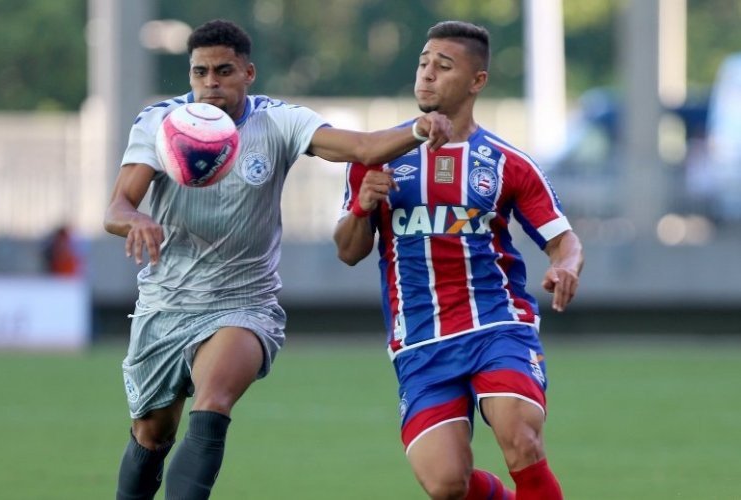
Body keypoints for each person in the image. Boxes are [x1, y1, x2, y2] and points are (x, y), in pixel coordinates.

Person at [103, 19, 452, 500]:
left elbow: (363, 147)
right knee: (152, 435)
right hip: (165, 304)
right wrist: (135, 220)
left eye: (223, 71)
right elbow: (117, 206)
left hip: (244, 302)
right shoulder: (161, 124)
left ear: (248, 72)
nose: (211, 84)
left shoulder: (279, 122)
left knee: (213, 404)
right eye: (200, 72)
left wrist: (418, 128)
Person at [334, 21, 583, 500]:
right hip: (420, 340)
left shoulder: (508, 162)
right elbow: (348, 252)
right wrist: (362, 207)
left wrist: (567, 265)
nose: (427, 74)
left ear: (477, 82)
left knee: (521, 441)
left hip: (497, 324)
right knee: (447, 484)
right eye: (424, 63)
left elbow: (563, 239)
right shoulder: (375, 157)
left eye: (443, 66)